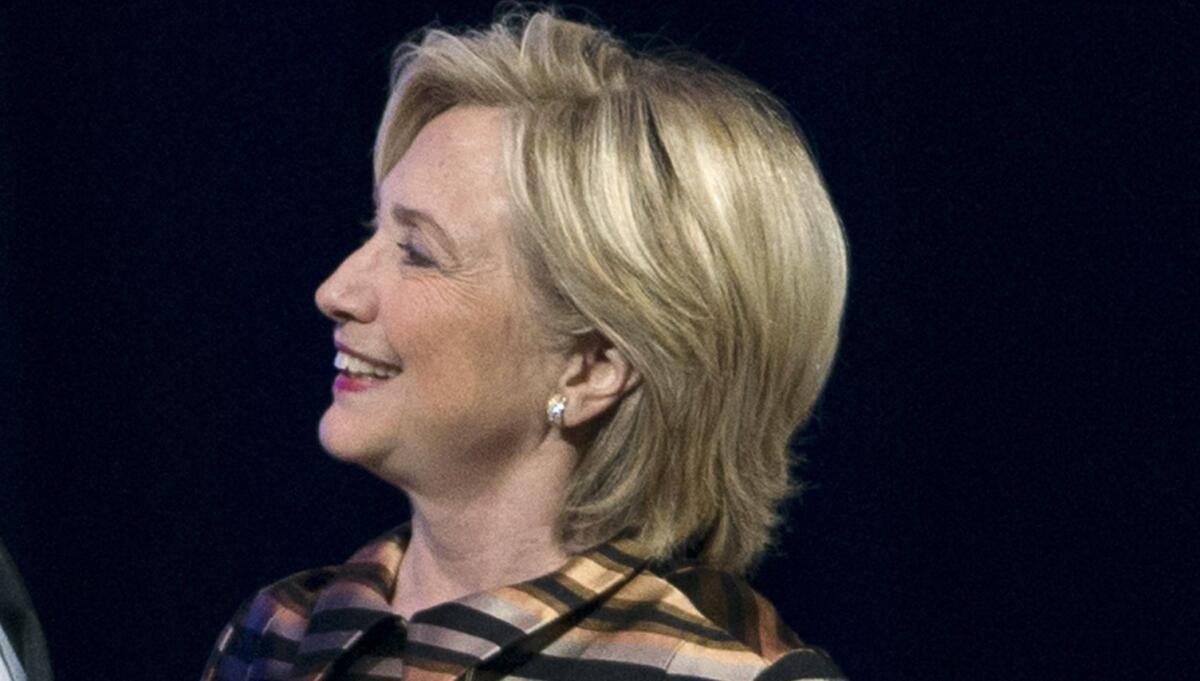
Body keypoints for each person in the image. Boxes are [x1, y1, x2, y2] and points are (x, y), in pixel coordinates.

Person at [202, 8, 847, 680]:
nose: (335, 290)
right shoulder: (278, 635)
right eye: (374, 229)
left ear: (593, 366)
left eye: (417, 251)